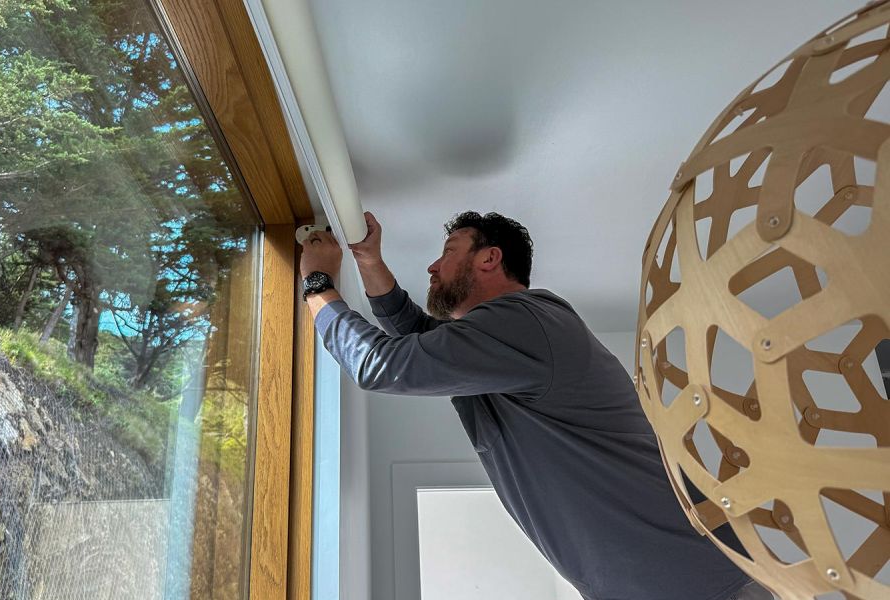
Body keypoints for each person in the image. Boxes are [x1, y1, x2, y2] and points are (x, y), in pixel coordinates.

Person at [299, 210, 774, 600]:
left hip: (707, 587)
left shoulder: (526, 324)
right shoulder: (510, 341)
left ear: (490, 258)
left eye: (447, 253)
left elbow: (384, 365)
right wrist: (368, 262)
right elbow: (422, 338)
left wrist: (317, 284)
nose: (432, 267)